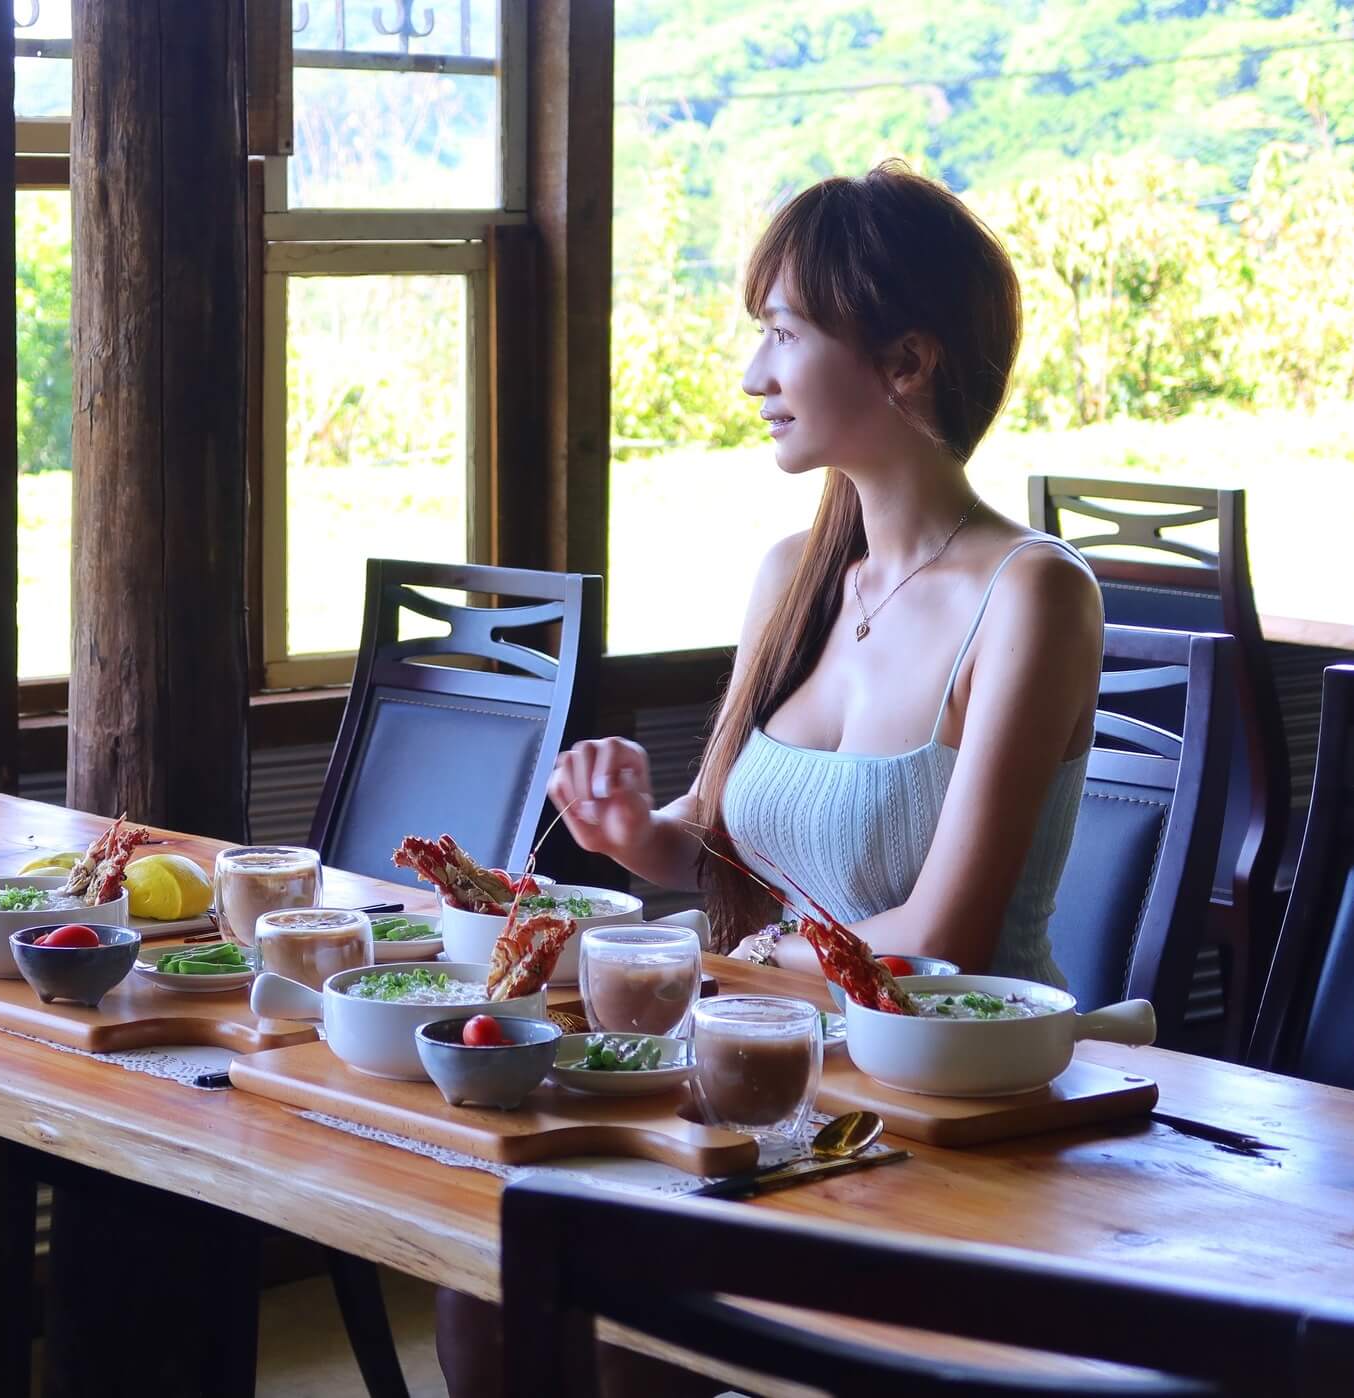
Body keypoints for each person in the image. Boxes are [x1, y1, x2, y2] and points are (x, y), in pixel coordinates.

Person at [437, 160, 1103, 1397]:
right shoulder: (792, 574)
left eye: (783, 335)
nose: (753, 376)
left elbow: (935, 940)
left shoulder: (1033, 593)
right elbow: (722, 856)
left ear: (905, 365)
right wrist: (641, 835)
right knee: (487, 1284)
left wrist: (716, 965)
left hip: (948, 1109)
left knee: (618, 1315)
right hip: (763, 1065)